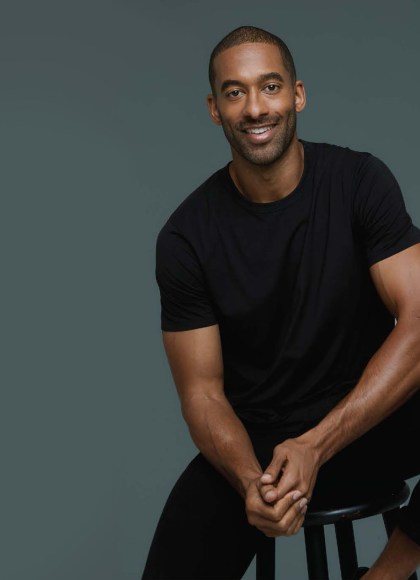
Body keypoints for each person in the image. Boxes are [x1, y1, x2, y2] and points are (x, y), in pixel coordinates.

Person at [142, 25, 420, 580]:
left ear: (297, 95)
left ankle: (384, 577)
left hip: (371, 418)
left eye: (269, 86)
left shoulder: (359, 182)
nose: (254, 108)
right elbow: (202, 394)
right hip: (263, 445)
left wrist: (316, 445)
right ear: (215, 109)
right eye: (235, 92)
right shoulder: (186, 237)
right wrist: (249, 480)